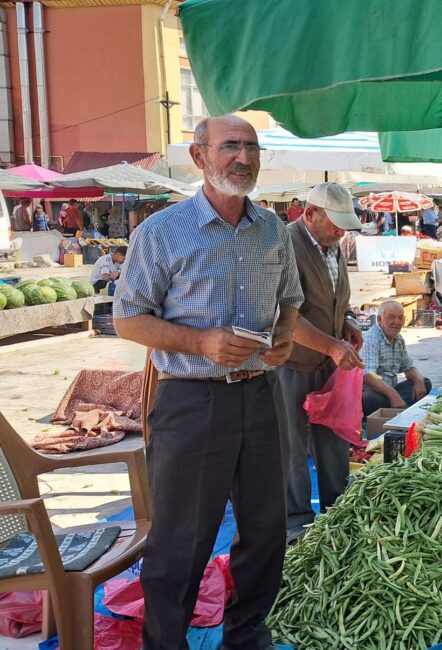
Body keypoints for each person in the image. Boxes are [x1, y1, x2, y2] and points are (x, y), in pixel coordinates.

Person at [112, 115, 303, 649]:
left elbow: (290, 299)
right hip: (191, 401)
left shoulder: (271, 229)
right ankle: (166, 642)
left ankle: (247, 634)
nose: (242, 158)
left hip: (259, 395)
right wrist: (201, 342)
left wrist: (284, 338)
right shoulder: (161, 232)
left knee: (266, 530)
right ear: (199, 157)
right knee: (182, 540)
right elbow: (128, 318)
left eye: (251, 147)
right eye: (229, 147)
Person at [272, 183, 365, 535]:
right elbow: (286, 314)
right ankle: (296, 522)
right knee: (293, 446)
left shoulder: (331, 245)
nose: (341, 232)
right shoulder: (286, 245)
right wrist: (331, 345)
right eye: (334, 224)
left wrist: (346, 323)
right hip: (291, 364)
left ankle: (337, 512)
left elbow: (327, 297)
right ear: (310, 214)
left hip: (326, 364)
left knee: (333, 440)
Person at [360, 301, 433, 413]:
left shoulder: (398, 339)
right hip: (373, 391)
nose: (397, 322)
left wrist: (418, 381)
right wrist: (393, 395)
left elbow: (408, 367)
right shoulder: (371, 338)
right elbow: (368, 375)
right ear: (379, 319)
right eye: (391, 317)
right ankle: (396, 407)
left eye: (400, 318)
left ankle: (394, 408)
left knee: (425, 382)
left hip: (391, 389)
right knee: (371, 399)